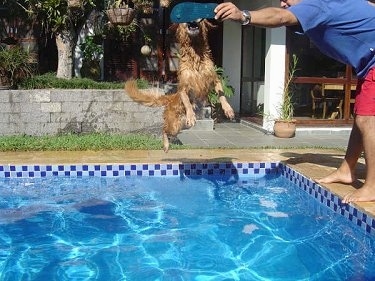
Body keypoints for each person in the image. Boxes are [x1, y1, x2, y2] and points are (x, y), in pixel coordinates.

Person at [214, 0, 375, 203]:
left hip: (372, 62)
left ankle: (372, 186)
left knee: (367, 121)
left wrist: (243, 16)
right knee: (362, 118)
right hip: (367, 64)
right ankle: (346, 170)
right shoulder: (323, 6)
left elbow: (279, 17)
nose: (283, 3)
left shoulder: (316, 4)